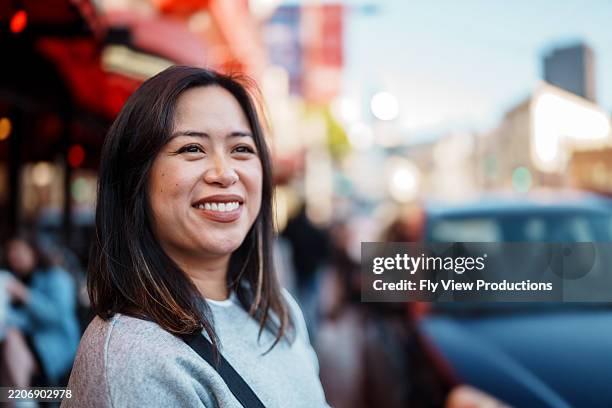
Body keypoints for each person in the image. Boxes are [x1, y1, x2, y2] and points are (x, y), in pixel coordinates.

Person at [63, 66, 329, 407]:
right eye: (192, 148)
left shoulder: (278, 311)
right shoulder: (133, 357)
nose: (224, 173)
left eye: (242, 149)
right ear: (136, 180)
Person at [0, 236, 80, 387]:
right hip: (32, 340)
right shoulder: (21, 278)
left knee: (10, 338)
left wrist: (24, 294)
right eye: (11, 252)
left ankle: (23, 402)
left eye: (19, 251)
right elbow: (24, 319)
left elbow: (57, 316)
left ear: (34, 251)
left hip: (55, 345)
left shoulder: (57, 277)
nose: (14, 256)